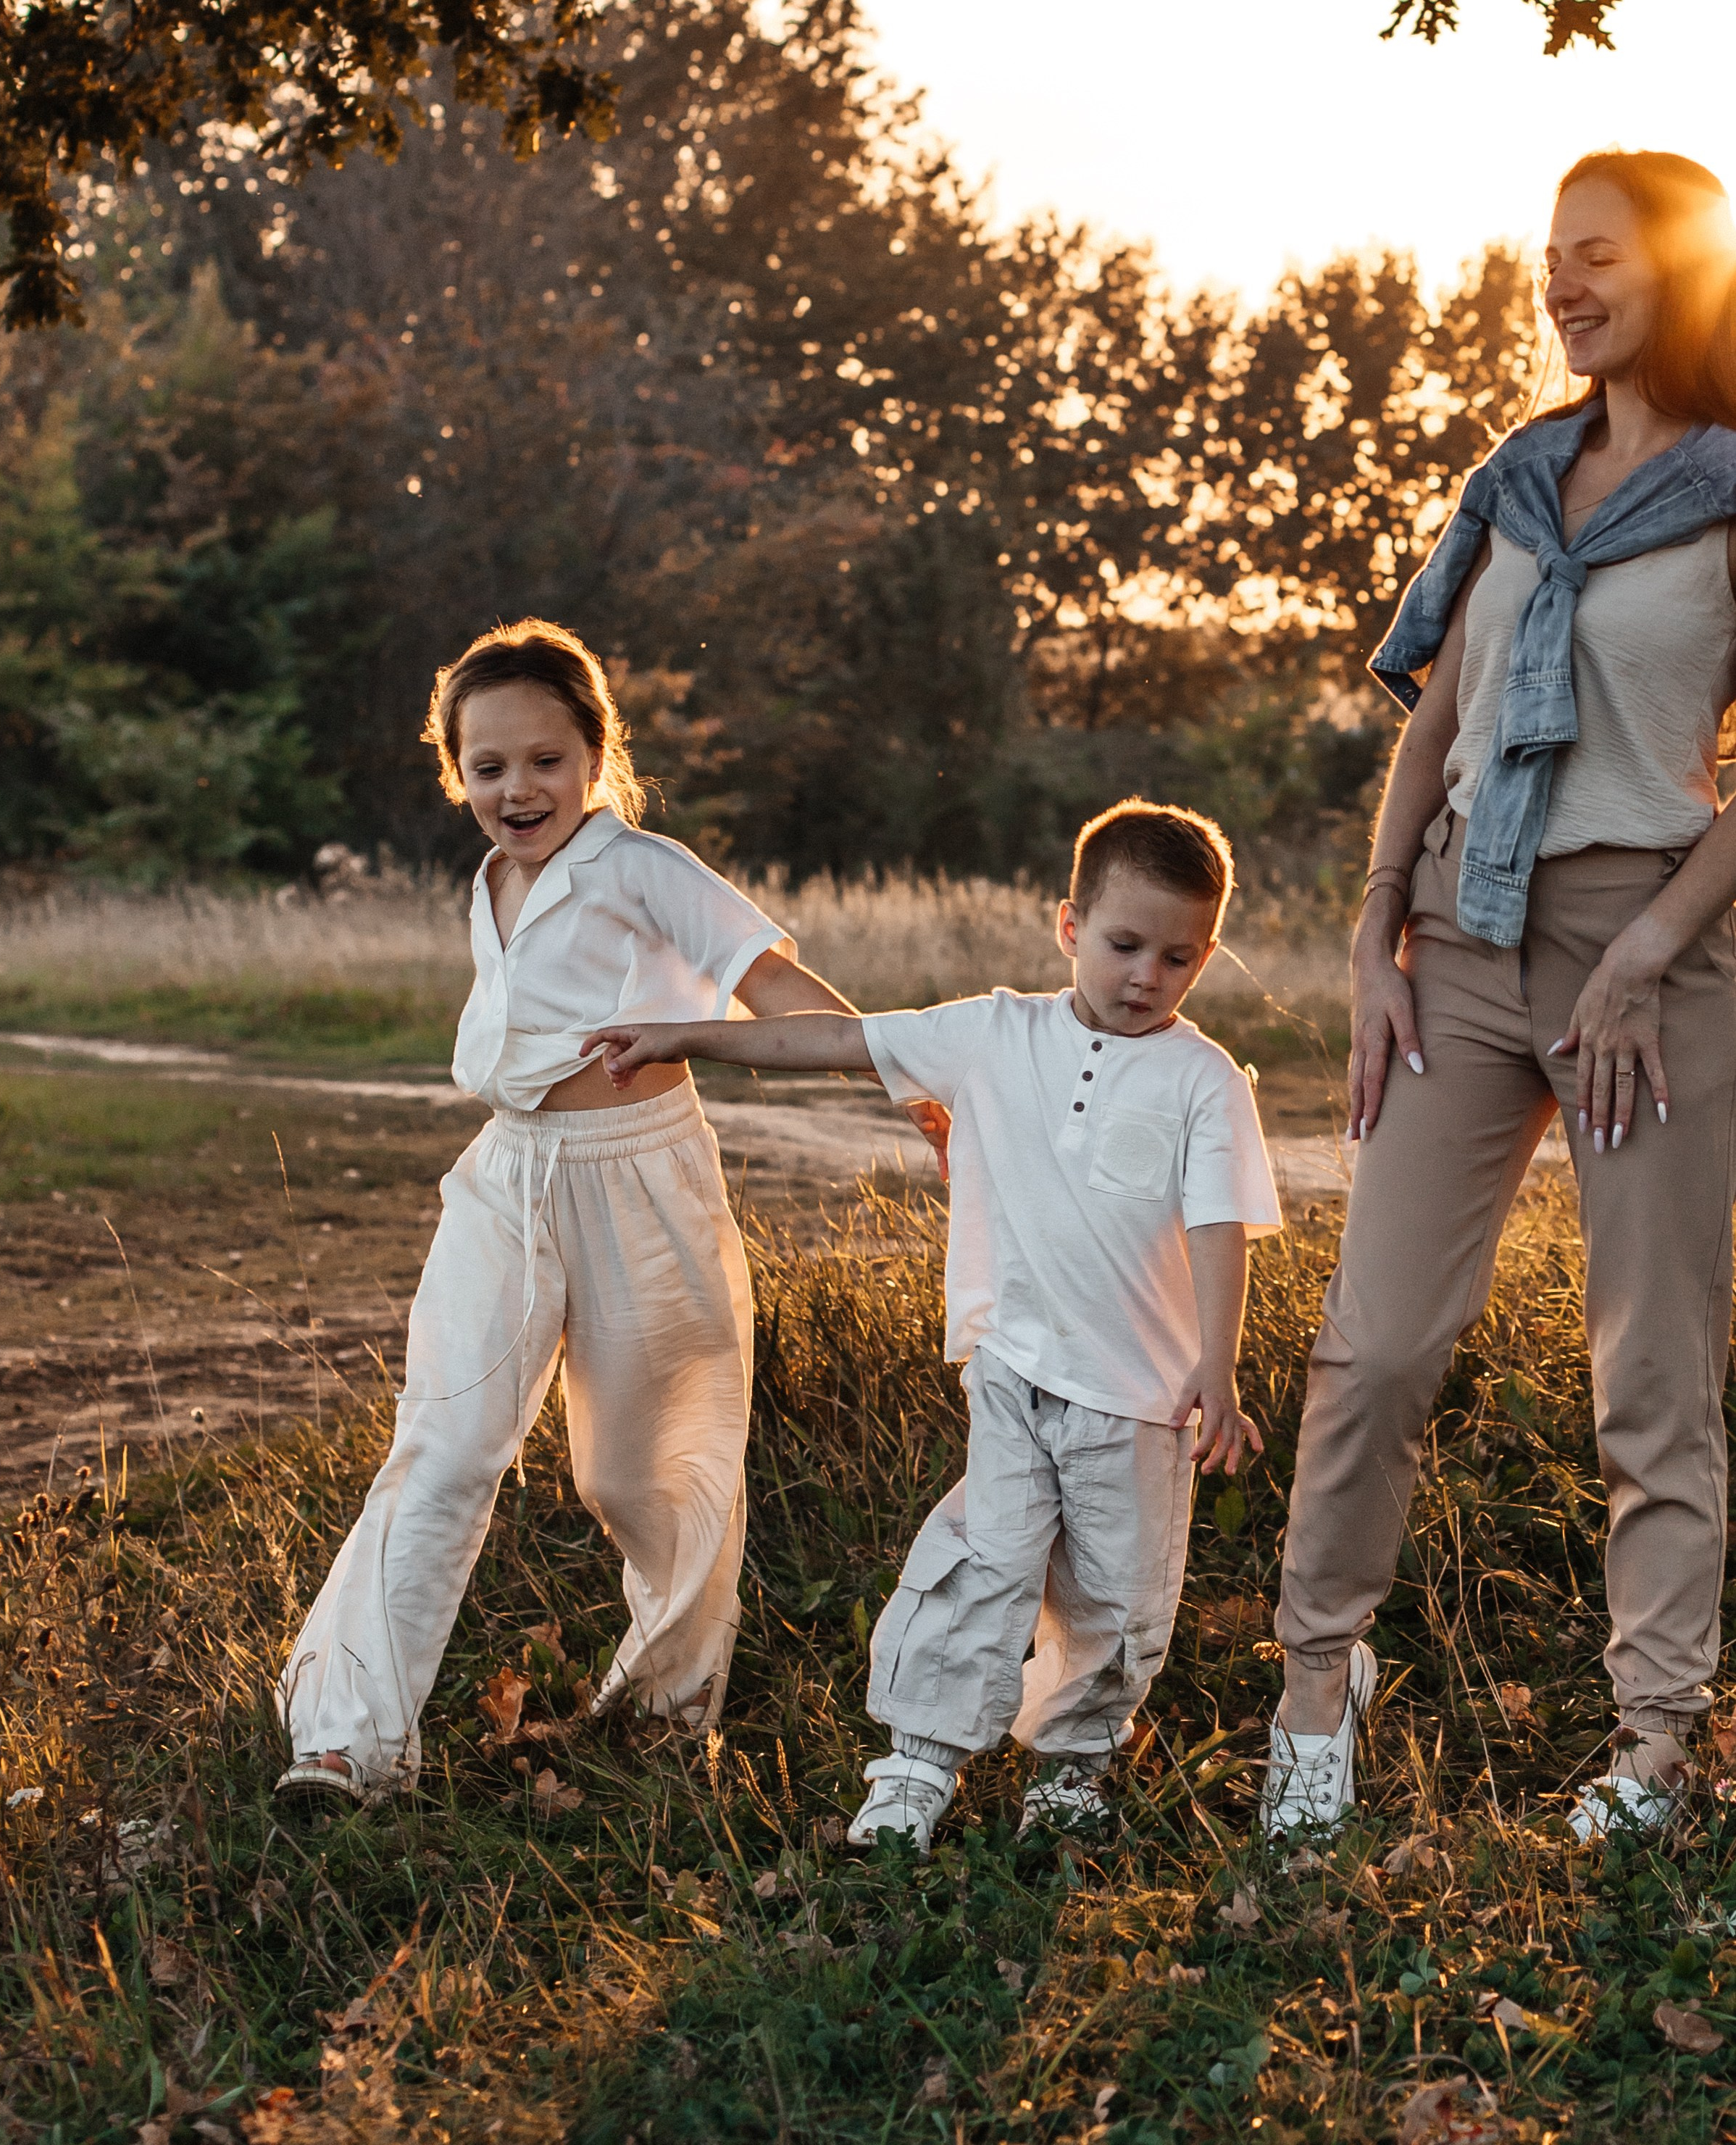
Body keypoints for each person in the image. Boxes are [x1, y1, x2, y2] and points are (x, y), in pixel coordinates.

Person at [1265, 151, 1736, 1846]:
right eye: (1550, 258)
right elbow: (1440, 713)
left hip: (1646, 952)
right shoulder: (1518, 480)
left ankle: (1655, 1740)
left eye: (1596, 254)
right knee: (1376, 1341)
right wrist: (1373, 930)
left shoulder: (1734, 491)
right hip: (1460, 937)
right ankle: (1316, 1683)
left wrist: (1652, 946)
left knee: (1651, 1364)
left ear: (1679, 272)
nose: (1562, 284)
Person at [587, 797, 1280, 1849]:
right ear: (1070, 927)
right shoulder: (994, 1033)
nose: (1147, 975)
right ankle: (917, 1763)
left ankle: (1073, 1767)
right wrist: (684, 1033)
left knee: (1117, 1598)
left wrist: (1216, 1370)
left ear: (1207, 957)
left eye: (1178, 958)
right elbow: (836, 1039)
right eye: (1125, 945)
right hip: (1012, 1371)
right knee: (980, 1562)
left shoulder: (1205, 1080)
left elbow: (1222, 1228)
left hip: (1141, 1399)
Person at [276, 618, 869, 1804]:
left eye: (546, 760)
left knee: (645, 1474)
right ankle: (348, 1739)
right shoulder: (492, 879)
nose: (518, 789)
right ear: (456, 772)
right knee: (443, 1445)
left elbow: (771, 986)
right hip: (508, 1176)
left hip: (639, 1178)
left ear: (596, 755)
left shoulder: (645, 867)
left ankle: (665, 1715)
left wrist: (909, 1073)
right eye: (488, 766)